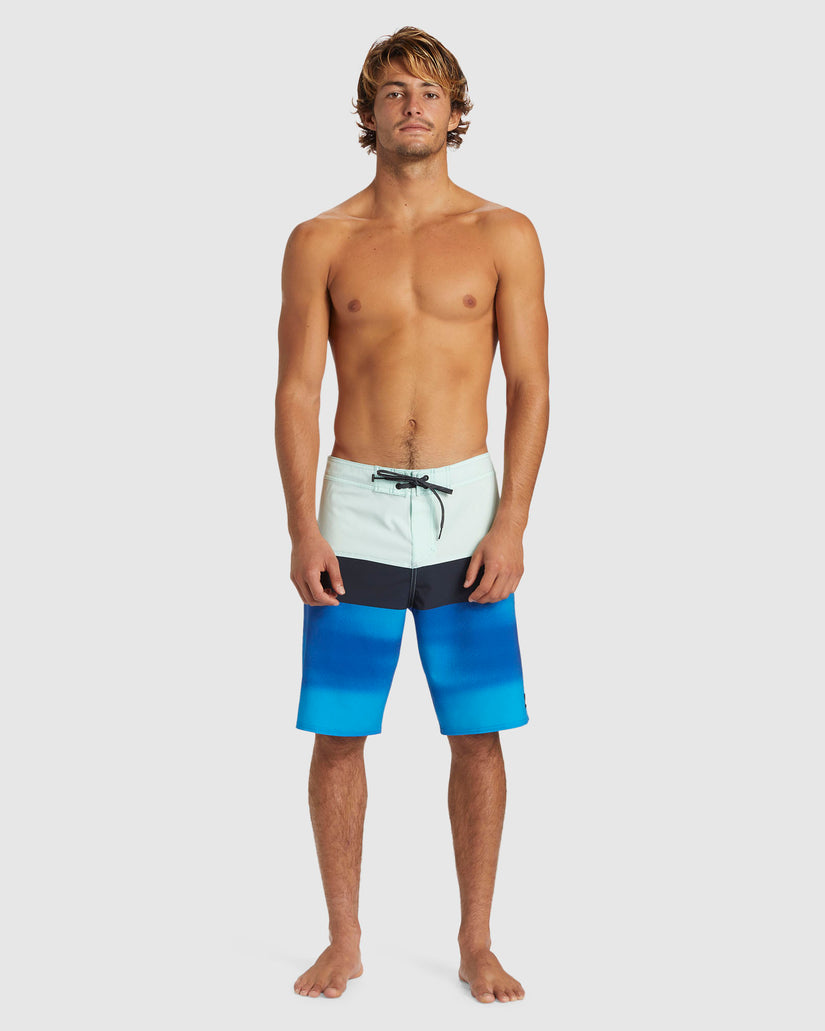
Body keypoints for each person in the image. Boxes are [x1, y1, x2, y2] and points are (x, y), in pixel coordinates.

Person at [275, 26, 549, 1004]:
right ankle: (344, 939)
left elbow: (530, 384)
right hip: (354, 508)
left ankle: (476, 941)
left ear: (455, 110)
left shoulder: (503, 233)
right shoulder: (321, 239)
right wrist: (302, 525)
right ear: (369, 112)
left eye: (429, 91)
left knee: (477, 728)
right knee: (340, 727)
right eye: (393, 91)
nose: (412, 105)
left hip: (466, 506)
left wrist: (512, 520)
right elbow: (297, 388)